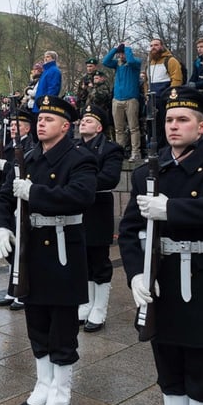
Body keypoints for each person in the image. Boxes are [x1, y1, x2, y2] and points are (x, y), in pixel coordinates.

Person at [118, 86, 203, 405]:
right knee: (168, 367)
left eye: (182, 119)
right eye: (169, 119)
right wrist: (135, 274)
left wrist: (172, 209)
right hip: (160, 276)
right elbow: (130, 230)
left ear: (202, 126)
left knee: (202, 371)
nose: (173, 125)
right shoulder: (147, 172)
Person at [0, 95, 98, 405]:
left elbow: (81, 196)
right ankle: (43, 384)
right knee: (36, 323)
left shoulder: (80, 158)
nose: (41, 122)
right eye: (39, 118)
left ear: (66, 126)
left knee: (61, 329)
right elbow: (3, 200)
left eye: (49, 119)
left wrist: (34, 192)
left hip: (64, 251)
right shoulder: (28, 157)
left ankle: (61, 392)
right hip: (32, 251)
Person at [76, 105, 125, 332]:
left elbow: (110, 178)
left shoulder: (111, 149)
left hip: (97, 211)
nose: (82, 123)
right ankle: (86, 303)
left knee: (99, 261)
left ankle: (100, 308)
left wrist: (79, 185)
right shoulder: (74, 148)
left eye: (88, 120)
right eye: (82, 120)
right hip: (77, 210)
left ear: (99, 127)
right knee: (83, 261)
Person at [0, 105, 34, 311]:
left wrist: (4, 166)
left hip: (22, 198)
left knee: (20, 246)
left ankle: (21, 288)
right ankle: (12, 286)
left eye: (18, 127)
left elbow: (20, 170)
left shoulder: (29, 146)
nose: (13, 130)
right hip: (7, 196)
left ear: (27, 129)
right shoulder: (11, 144)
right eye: (12, 128)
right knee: (9, 247)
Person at [103, 42, 143, 161]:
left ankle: (136, 152)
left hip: (131, 99)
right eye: (120, 54)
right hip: (117, 99)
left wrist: (127, 48)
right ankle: (119, 152)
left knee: (133, 128)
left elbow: (130, 61)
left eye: (122, 54)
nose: (121, 56)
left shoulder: (135, 62)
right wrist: (115, 49)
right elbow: (105, 61)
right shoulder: (117, 64)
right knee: (118, 129)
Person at [143, 38, 184, 149]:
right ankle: (153, 150)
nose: (153, 48)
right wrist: (146, 95)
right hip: (151, 100)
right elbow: (146, 82)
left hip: (164, 99)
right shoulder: (149, 62)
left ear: (162, 46)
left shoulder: (170, 60)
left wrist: (171, 96)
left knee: (164, 125)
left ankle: (165, 151)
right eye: (151, 45)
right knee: (152, 127)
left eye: (156, 45)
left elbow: (176, 79)